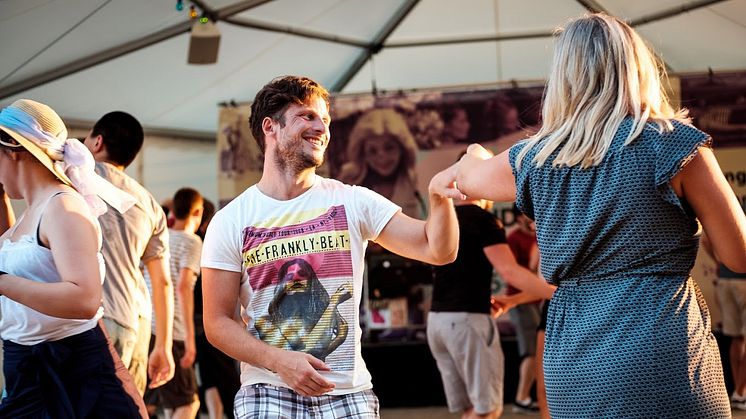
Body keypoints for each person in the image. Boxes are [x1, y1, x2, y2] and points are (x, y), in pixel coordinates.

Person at [446, 13, 746, 418]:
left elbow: (468, 177)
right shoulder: (676, 146)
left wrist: (475, 156)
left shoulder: (534, 158)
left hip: (574, 357)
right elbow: (738, 255)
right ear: (635, 67)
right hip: (662, 346)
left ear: (564, 76)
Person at [201, 75, 459, 418]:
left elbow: (437, 249)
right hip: (268, 388)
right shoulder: (231, 220)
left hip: (347, 393)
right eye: (307, 116)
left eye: (325, 119)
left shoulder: (352, 201)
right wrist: (278, 361)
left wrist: (440, 197)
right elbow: (217, 322)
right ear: (270, 127)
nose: (321, 127)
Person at [0, 99, 147, 417]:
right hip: (25, 369)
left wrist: (2, 283)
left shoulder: (63, 207)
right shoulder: (33, 211)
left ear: (13, 150)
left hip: (71, 371)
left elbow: (84, 298)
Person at [427, 193, 552, 419]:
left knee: (471, 410)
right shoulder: (483, 220)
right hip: (467, 320)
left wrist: (513, 300)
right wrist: (558, 293)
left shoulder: (441, 216)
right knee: (487, 410)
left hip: (437, 321)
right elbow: (509, 271)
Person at [82, 111, 175, 394]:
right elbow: (162, 281)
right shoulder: (149, 204)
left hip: (92, 315)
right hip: (137, 320)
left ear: (97, 142)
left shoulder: (74, 176)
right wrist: (164, 345)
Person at [144, 187, 203, 418]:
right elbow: (183, 287)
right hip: (173, 331)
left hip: (147, 325)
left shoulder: (161, 236)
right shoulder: (192, 241)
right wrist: (190, 339)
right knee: (189, 403)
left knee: (162, 402)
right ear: (197, 211)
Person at [194, 199, 241, 419]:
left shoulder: (201, 242)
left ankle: (217, 415)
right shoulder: (204, 243)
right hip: (212, 321)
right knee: (223, 373)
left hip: (199, 321)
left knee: (210, 376)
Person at [337, 108, 422, 218]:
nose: (382, 157)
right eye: (372, 151)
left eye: (389, 148)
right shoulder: (347, 181)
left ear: (403, 148)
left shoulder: (417, 177)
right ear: (362, 154)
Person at [505, 205, 542, 414]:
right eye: (526, 217)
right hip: (520, 301)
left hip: (537, 300)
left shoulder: (537, 236)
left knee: (536, 351)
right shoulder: (514, 239)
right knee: (529, 351)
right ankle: (522, 397)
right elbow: (519, 271)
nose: (531, 222)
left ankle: (528, 396)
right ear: (518, 218)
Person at [703, 232, 746, 410]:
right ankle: (741, 392)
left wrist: (718, 262)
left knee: (737, 337)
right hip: (743, 282)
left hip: (725, 280)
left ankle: (739, 392)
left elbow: (706, 239)